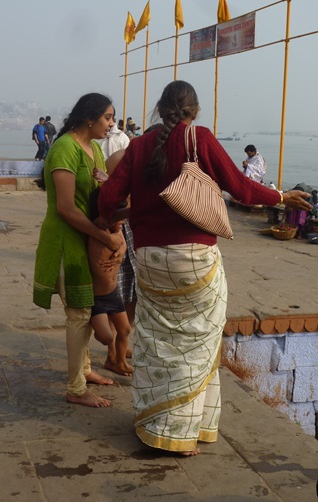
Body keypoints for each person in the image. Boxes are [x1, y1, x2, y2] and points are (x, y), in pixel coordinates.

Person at [98, 80, 312, 455]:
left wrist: (127, 216)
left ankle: (155, 424)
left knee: (157, 342)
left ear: (160, 110)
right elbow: (242, 189)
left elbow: (107, 200)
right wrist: (281, 195)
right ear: (193, 111)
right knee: (197, 344)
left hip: (148, 259)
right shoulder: (200, 139)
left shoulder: (138, 146)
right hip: (195, 260)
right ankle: (183, 432)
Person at [33, 93, 124, 408]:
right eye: (108, 117)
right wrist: (105, 236)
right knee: (79, 314)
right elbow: (66, 209)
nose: (111, 124)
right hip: (65, 242)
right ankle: (75, 389)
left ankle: (85, 371)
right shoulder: (64, 149)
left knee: (83, 310)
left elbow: (104, 195)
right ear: (90, 117)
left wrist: (116, 230)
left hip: (86, 240)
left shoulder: (95, 149)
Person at [87, 188, 132, 376]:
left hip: (113, 293)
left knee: (125, 330)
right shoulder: (99, 229)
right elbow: (106, 218)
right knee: (105, 336)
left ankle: (118, 362)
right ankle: (107, 347)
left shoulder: (117, 230)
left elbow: (122, 240)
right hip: (97, 297)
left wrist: (122, 249)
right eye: (119, 219)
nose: (122, 224)